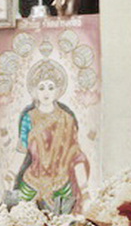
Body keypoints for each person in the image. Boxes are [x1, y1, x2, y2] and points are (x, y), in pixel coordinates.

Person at [13, 59, 90, 215]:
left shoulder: (67, 119)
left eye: (50, 87)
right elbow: (21, 150)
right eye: (41, 88)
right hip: (32, 181)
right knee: (20, 218)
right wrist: (9, 176)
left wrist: (85, 189)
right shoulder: (29, 118)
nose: (46, 92)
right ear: (35, 91)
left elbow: (75, 154)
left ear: (58, 90)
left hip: (61, 183)